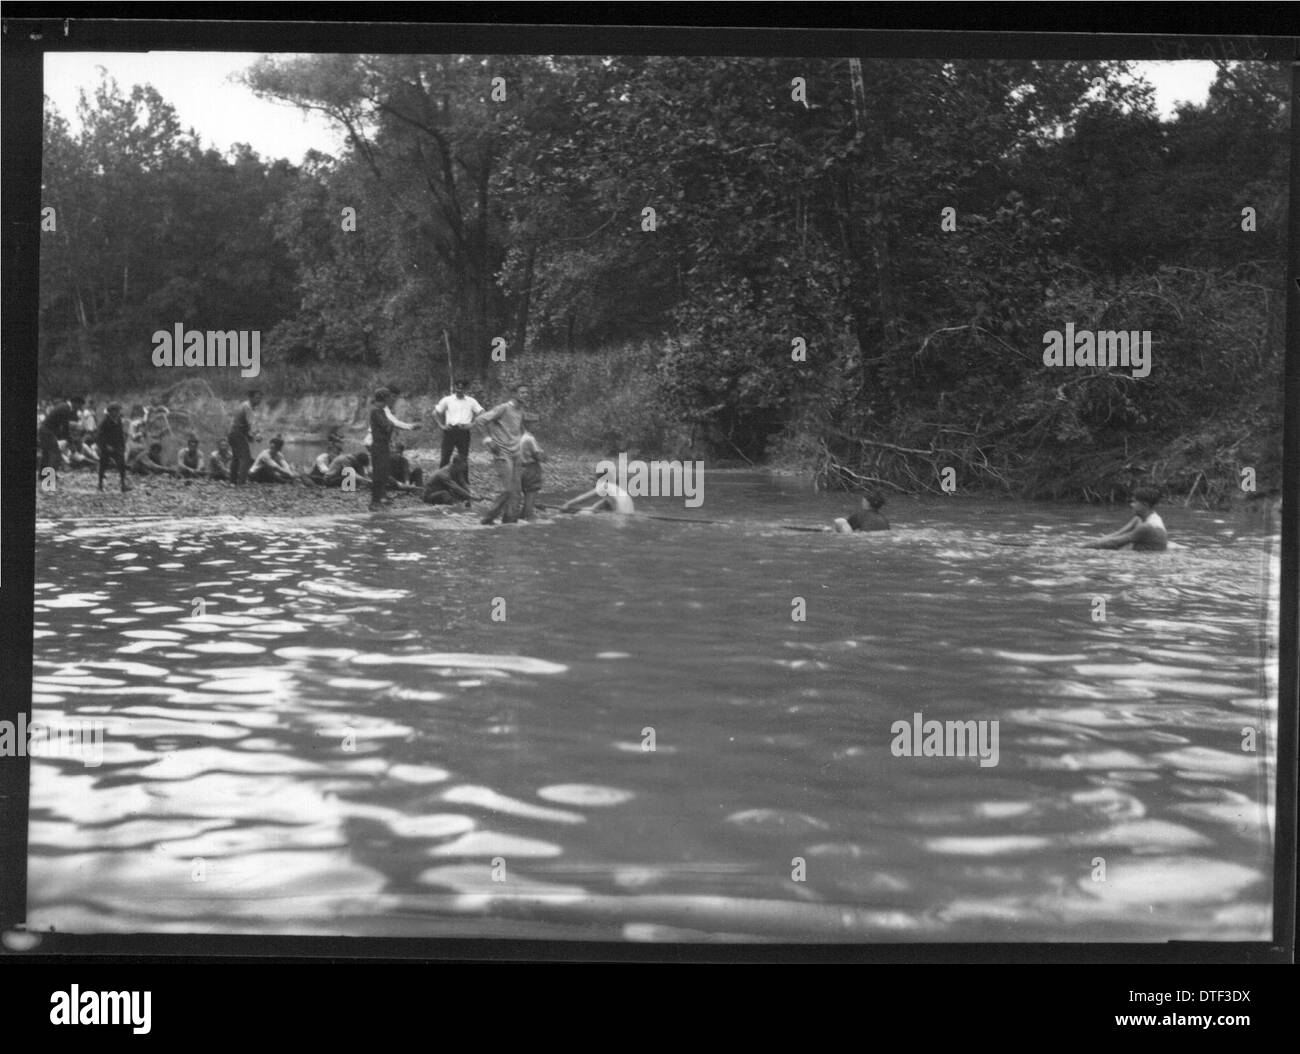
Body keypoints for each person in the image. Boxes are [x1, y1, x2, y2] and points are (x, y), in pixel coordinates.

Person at [476, 384, 529, 524]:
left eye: (526, 393)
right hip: (502, 452)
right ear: (514, 394)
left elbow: (520, 429)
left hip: (516, 453)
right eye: (522, 392)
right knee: (507, 490)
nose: (525, 395)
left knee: (516, 492)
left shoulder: (521, 410)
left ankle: (509, 523)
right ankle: (488, 519)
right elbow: (480, 420)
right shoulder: (503, 408)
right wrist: (488, 440)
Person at [368, 388, 422, 510]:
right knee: (378, 474)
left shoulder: (381, 411)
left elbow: (389, 425)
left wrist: (391, 425)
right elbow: (387, 426)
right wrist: (391, 425)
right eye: (389, 398)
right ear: (384, 398)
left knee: (383, 473)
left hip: (383, 445)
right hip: (378, 446)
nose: (391, 400)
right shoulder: (376, 411)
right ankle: (374, 502)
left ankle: (380, 498)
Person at [1082, 486, 1168, 551]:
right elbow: (1117, 534)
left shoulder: (1147, 527)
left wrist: (1084, 546)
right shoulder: (1139, 519)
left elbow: (1115, 542)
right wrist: (1097, 541)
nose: (1131, 505)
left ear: (1145, 505)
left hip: (1148, 557)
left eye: (1134, 502)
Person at [434, 379, 484, 468]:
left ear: (465, 389)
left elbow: (481, 412)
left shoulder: (471, 401)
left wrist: (473, 424)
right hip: (450, 431)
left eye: (462, 388)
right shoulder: (448, 400)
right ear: (455, 388)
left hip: (463, 431)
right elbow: (435, 412)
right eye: (458, 388)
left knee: (463, 458)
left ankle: (463, 481)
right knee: (445, 457)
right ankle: (441, 480)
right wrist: (441, 426)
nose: (459, 390)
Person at [37, 395, 83, 476]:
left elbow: (62, 428)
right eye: (79, 406)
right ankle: (50, 478)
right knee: (56, 454)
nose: (79, 408)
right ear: (75, 403)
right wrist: (71, 443)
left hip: (44, 430)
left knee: (46, 454)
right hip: (47, 431)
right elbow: (65, 429)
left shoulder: (63, 406)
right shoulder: (66, 409)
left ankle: (42, 475)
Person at [559, 468, 636, 515]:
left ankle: (581, 512)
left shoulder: (603, 486)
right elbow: (604, 504)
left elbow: (584, 498)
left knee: (596, 508)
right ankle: (585, 511)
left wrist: (567, 504)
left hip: (619, 515)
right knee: (603, 503)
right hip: (629, 513)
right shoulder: (615, 489)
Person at [228, 389, 263, 486]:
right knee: (245, 458)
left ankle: (233, 481)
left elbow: (242, 422)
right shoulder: (247, 406)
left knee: (236, 457)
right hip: (237, 434)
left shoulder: (243, 405)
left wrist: (248, 435)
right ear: (251, 398)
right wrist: (257, 434)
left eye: (260, 398)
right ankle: (241, 482)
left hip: (233, 433)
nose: (259, 400)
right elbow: (251, 422)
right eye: (257, 398)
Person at [95, 402, 130, 492]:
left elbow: (120, 434)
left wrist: (123, 445)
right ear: (111, 412)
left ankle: (123, 484)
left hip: (117, 446)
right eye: (116, 411)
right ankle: (100, 484)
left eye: (118, 411)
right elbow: (99, 436)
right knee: (103, 465)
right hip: (106, 447)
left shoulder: (118, 420)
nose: (118, 412)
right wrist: (105, 445)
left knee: (122, 464)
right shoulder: (105, 422)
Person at [518, 427, 545, 520]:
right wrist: (543, 456)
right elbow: (538, 455)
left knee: (526, 493)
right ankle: (529, 516)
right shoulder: (530, 438)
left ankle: (522, 516)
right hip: (531, 468)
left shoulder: (520, 437)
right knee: (531, 493)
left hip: (521, 468)